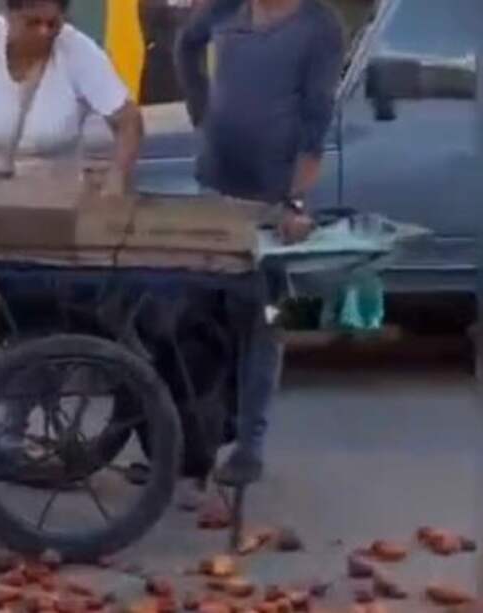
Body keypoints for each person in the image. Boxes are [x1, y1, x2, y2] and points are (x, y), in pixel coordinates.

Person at [0, 0, 144, 480]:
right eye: (33, 21)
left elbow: (127, 120)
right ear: (10, 17)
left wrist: (117, 176)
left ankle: (10, 437)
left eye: (54, 23)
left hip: (48, 209)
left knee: (36, 322)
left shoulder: (77, 52)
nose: (45, 31)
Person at [176, 0, 344, 485]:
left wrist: (295, 202)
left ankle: (250, 446)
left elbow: (316, 120)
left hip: (272, 197)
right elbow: (186, 45)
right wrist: (200, 114)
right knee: (198, 318)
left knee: (265, 321)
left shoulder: (318, 25)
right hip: (215, 185)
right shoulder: (226, 10)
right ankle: (194, 440)